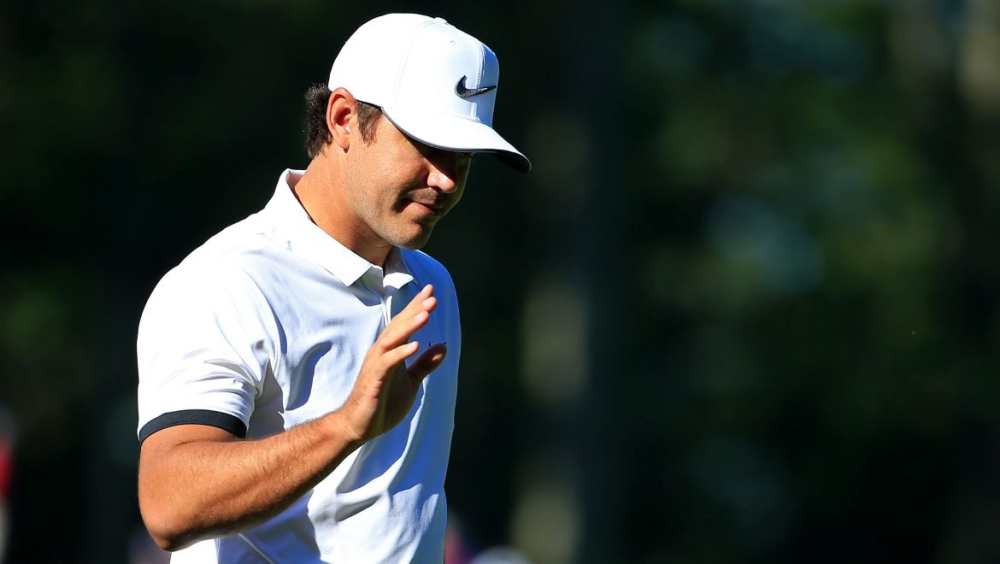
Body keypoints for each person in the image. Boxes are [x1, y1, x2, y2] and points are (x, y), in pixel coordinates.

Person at [135, 13, 529, 563]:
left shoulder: (433, 285)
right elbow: (168, 505)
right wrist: (345, 426)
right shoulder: (227, 281)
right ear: (343, 118)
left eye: (463, 156)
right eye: (428, 144)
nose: (445, 178)